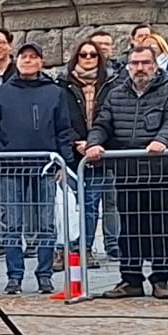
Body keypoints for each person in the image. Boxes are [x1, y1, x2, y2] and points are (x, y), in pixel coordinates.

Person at [84, 43, 168, 298]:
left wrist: (162, 140)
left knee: (162, 226)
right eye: (135, 63)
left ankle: (161, 279)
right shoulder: (116, 92)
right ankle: (130, 279)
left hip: (159, 169)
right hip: (127, 170)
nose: (140, 68)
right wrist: (94, 143)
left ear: (155, 65)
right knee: (129, 228)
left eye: (145, 63)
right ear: (129, 66)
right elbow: (103, 121)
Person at [0, 42, 73, 295]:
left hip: (44, 168)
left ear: (41, 62)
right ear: (17, 60)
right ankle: (14, 276)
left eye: (34, 57)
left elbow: (63, 129)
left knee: (45, 224)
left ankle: (44, 275)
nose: (28, 61)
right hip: (12, 168)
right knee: (12, 225)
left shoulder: (54, 92)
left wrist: (64, 162)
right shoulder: (1, 94)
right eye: (24, 57)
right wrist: (0, 153)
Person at [60, 38, 121, 265]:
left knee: (93, 203)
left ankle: (87, 247)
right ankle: (76, 247)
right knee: (76, 203)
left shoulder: (112, 83)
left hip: (101, 151)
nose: (87, 59)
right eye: (83, 55)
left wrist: (97, 142)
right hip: (73, 152)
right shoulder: (63, 84)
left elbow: (114, 116)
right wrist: (76, 141)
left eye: (92, 55)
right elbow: (61, 119)